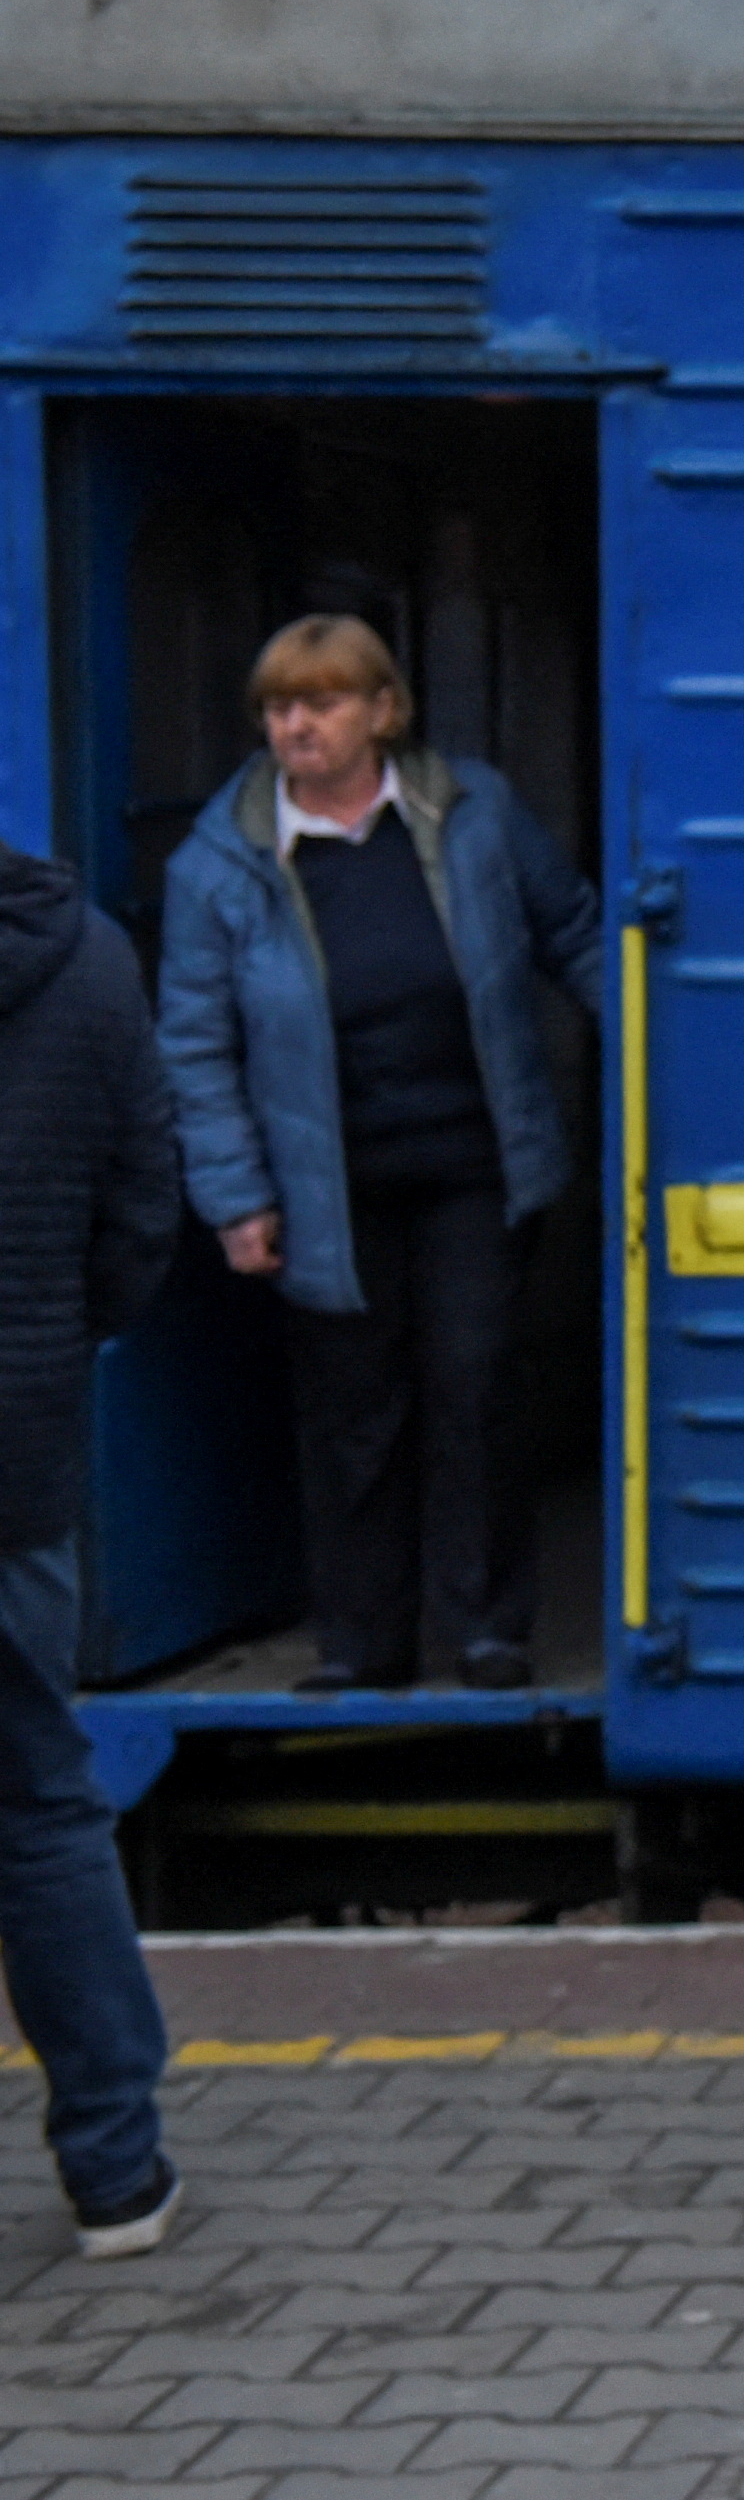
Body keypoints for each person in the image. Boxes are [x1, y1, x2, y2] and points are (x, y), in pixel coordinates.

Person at [157, 616, 601, 1694]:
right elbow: (195, 1043)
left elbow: (576, 934)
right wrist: (235, 1198)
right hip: (326, 1185)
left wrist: (668, 1059)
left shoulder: (475, 812)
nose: (294, 724)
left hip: (473, 1164)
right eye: (277, 706)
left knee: (476, 1384)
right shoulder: (219, 863)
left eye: (320, 701)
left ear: (381, 711)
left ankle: (489, 1630)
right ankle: (363, 1644)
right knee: (355, 1415)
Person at [0, 836, 185, 2257]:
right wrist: (57, 1346)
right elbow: (140, 1206)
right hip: (16, 1450)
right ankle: (118, 2169)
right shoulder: (90, 955)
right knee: (42, 1802)